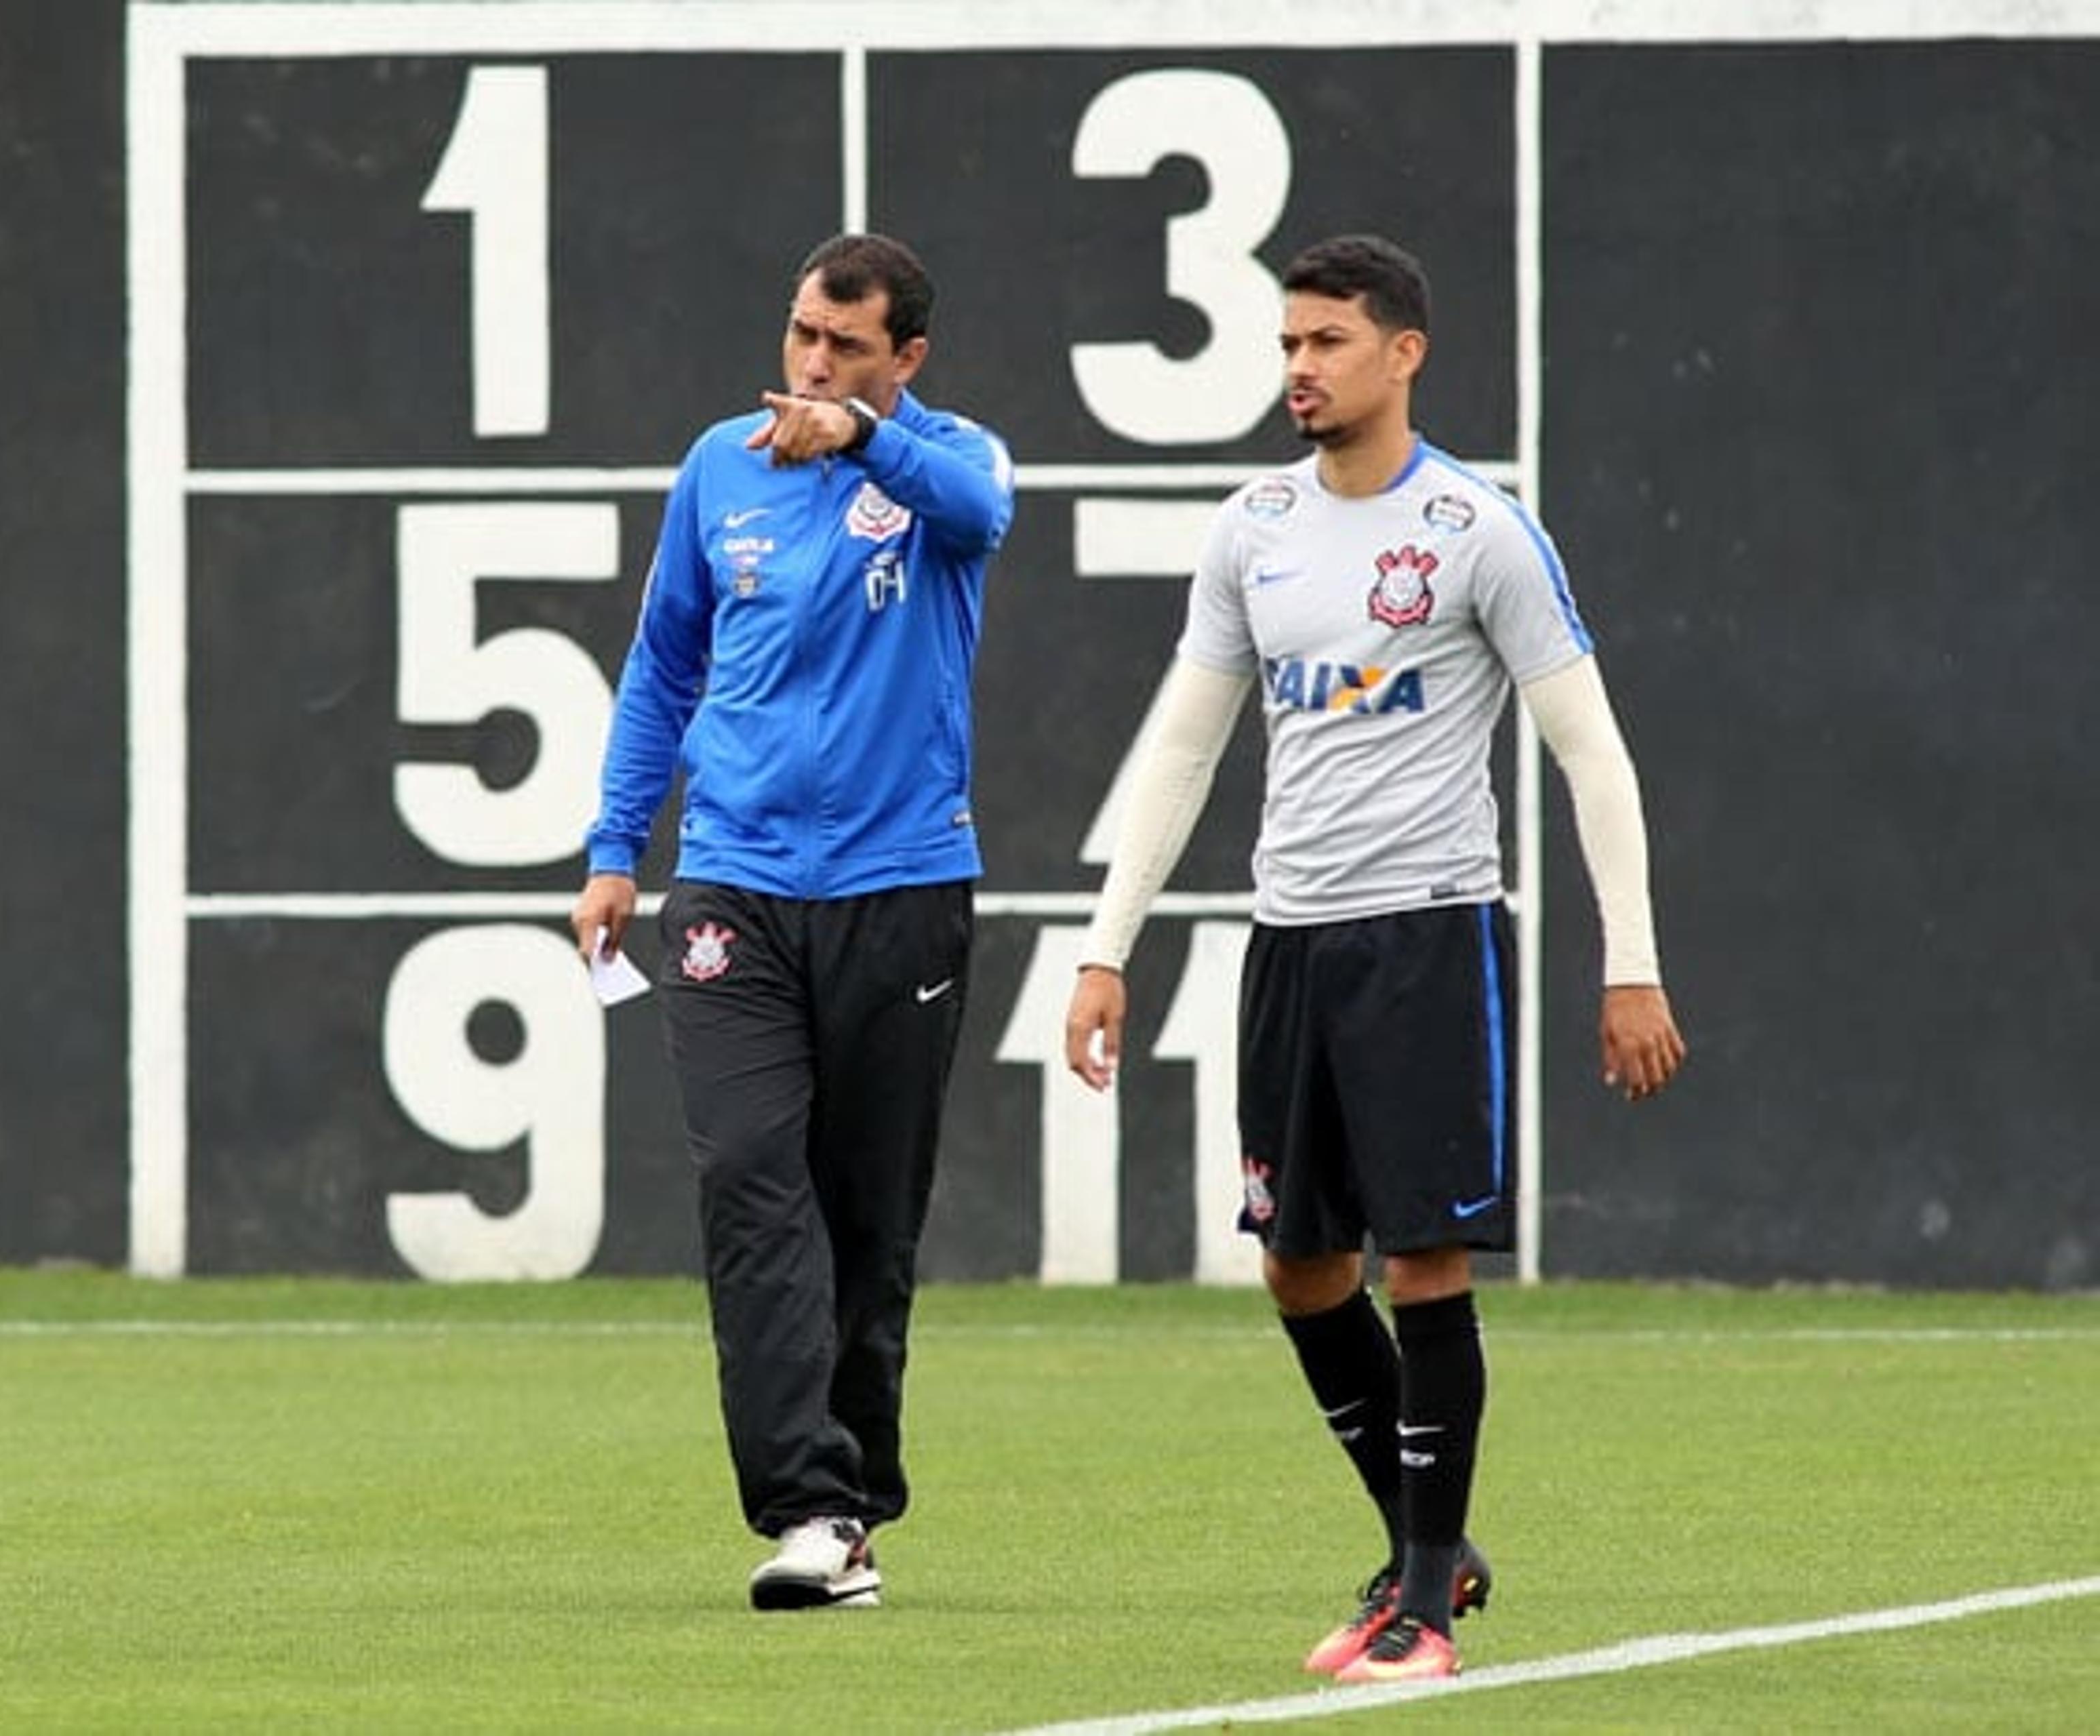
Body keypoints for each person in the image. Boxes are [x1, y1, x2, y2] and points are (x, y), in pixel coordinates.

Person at [1062, 234, 1684, 1680]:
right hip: (1289, 942)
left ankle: (1417, 1603)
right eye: (1287, 343)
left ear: (1402, 354)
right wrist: (1107, 946)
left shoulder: (1477, 529)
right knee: (1296, 1266)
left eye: (1327, 342)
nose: (1298, 368)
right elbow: (1184, 740)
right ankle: (1432, 1546)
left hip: (1425, 932)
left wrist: (1631, 961)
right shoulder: (1255, 526)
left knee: (1422, 1259)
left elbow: (1591, 751)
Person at [572, 232, 1015, 1611]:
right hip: (732, 887)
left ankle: (852, 1510)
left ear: (907, 361)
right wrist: (610, 851)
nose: (813, 367)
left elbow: (981, 515)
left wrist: (862, 442)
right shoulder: (720, 468)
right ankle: (809, 1505)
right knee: (748, 1175)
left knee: (865, 1216)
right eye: (801, 337)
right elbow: (662, 668)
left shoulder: (948, 464)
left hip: (901, 889)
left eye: (846, 347)